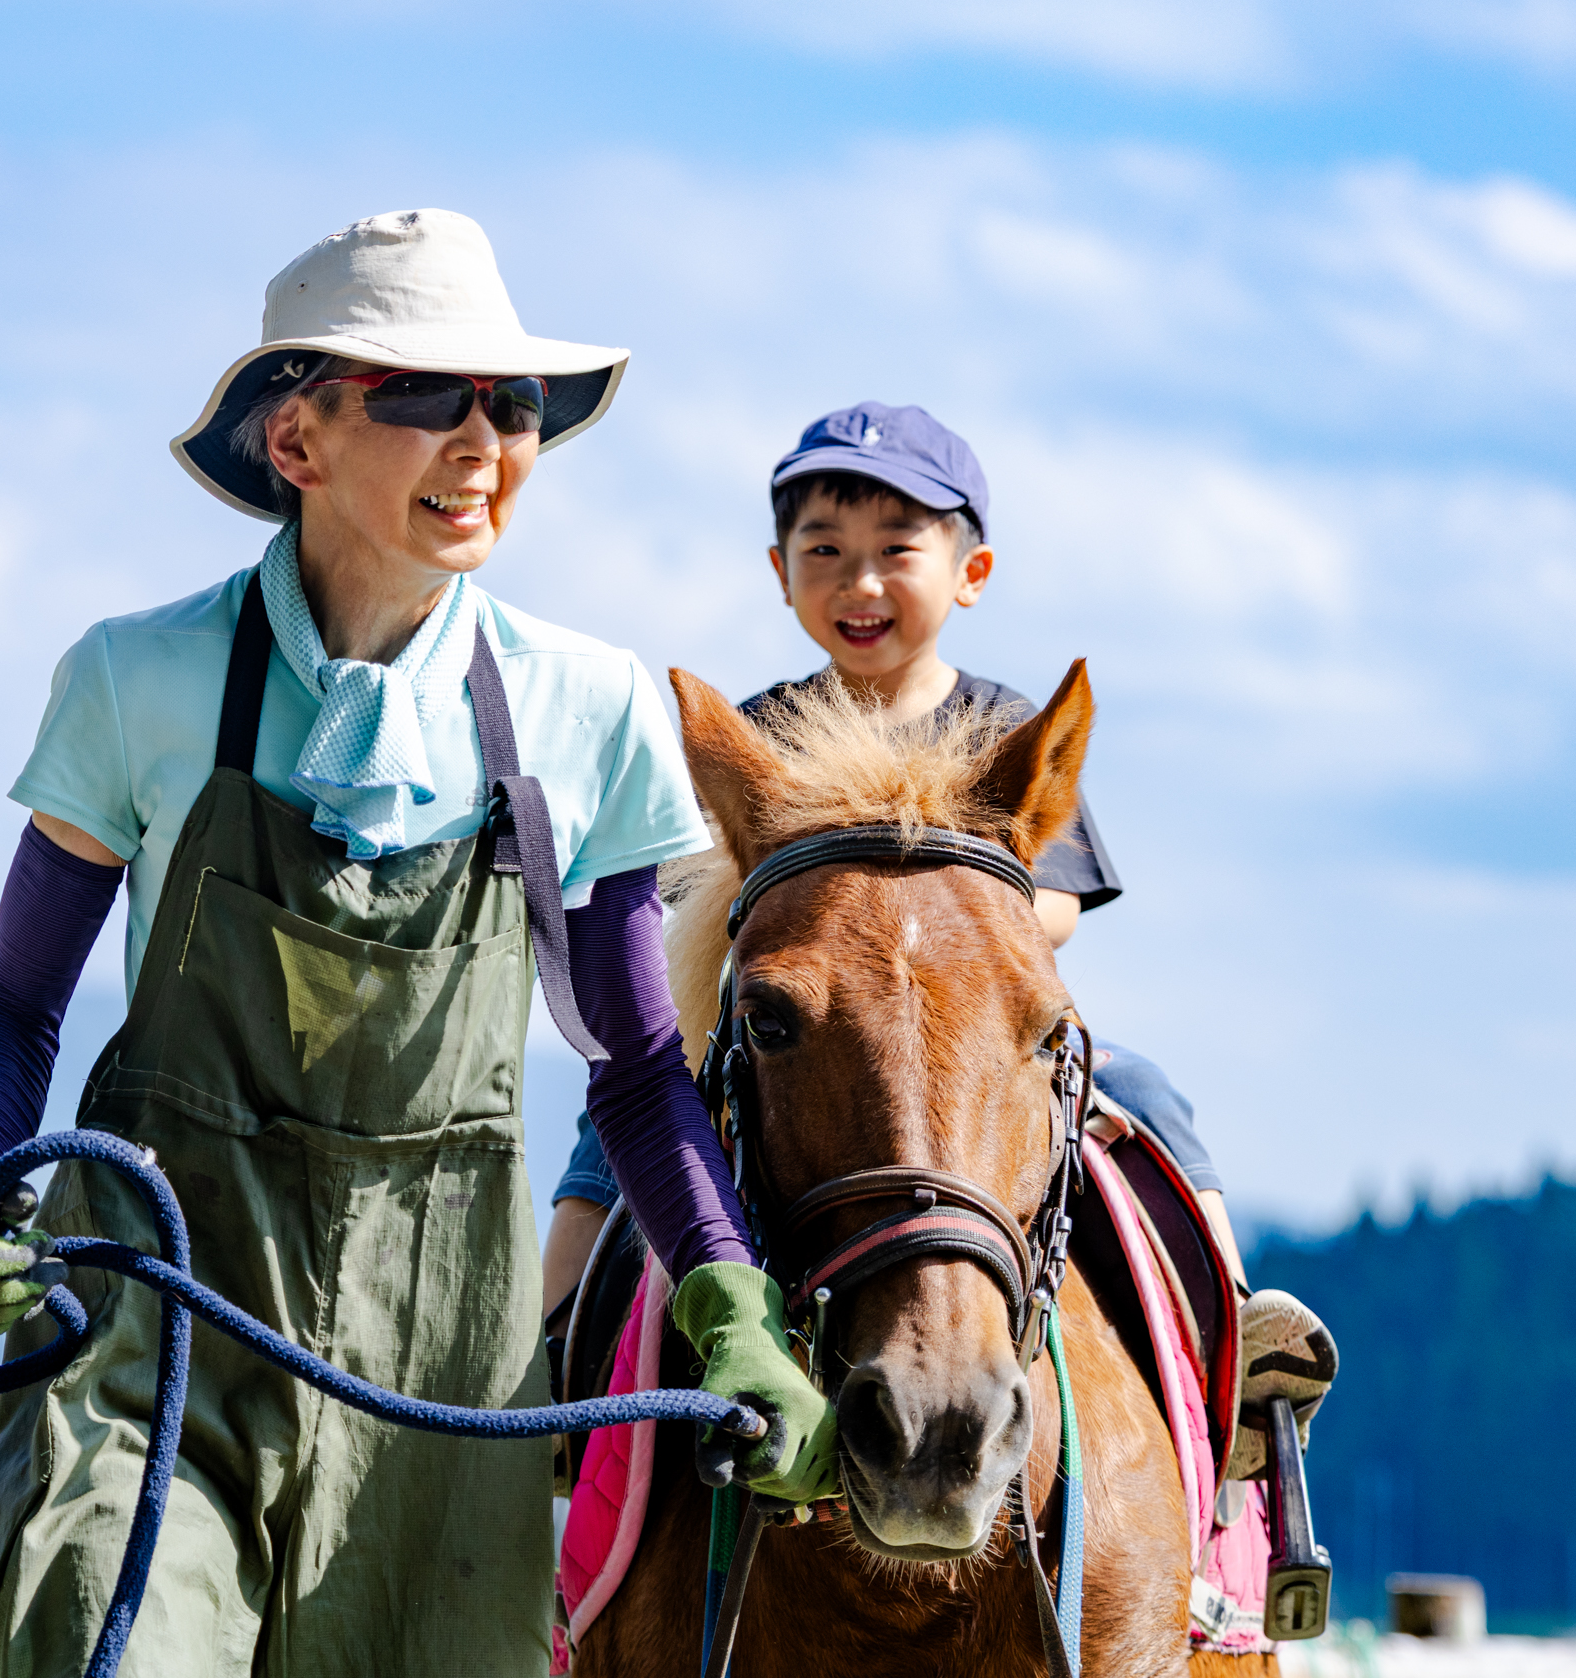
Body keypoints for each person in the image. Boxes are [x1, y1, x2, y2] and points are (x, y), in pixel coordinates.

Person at [0, 210, 830, 1676]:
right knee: (103, 1636)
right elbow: (18, 1006)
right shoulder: (138, 677)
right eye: (423, 397)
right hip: (161, 1318)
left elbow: (638, 1070)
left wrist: (732, 1303)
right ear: (298, 442)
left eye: (511, 405)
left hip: (441, 1355)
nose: (483, 441)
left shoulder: (582, 713)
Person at [539, 401, 1337, 1481]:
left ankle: (1232, 1339)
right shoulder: (764, 734)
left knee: (1147, 1098)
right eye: (825, 552)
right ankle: (557, 1361)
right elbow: (703, 904)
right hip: (804, 1036)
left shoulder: (999, 731)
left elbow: (1049, 905)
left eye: (894, 551)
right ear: (781, 574)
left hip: (969, 1031)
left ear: (970, 572)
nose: (860, 583)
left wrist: (950, 944)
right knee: (619, 1138)